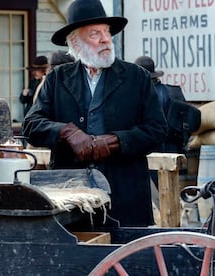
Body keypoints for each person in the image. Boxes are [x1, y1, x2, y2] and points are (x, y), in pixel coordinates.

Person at [22, 0, 168, 227]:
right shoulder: (57, 78)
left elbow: (157, 129)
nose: (105, 39)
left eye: (107, 32)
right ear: (75, 43)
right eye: (94, 34)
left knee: (129, 259)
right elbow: (31, 125)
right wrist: (67, 132)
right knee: (77, 259)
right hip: (73, 196)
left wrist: (116, 141)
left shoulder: (136, 77)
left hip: (125, 194)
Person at [135, 56, 201, 187]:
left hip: (150, 153)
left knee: (155, 196)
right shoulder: (172, 92)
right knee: (174, 192)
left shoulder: (140, 95)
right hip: (174, 151)